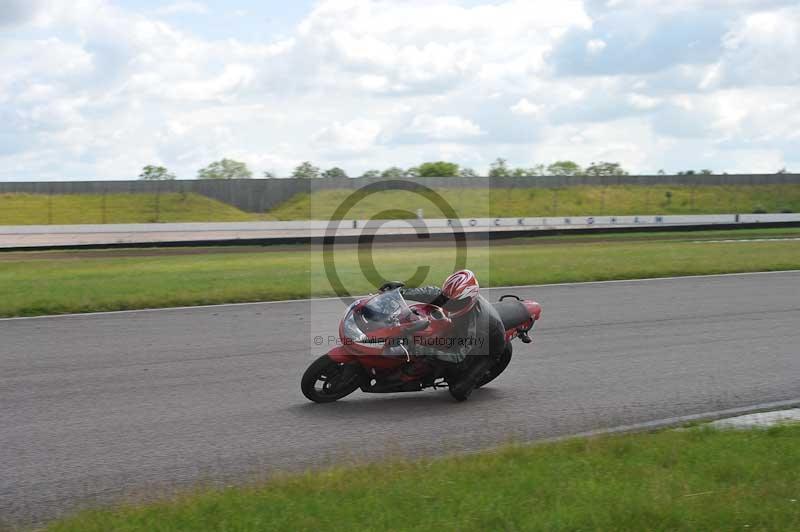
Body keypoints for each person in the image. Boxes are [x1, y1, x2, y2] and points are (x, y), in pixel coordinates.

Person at [400, 270, 506, 399]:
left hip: (489, 346)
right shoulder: (456, 297)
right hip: (462, 328)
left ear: (468, 299)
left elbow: (458, 356)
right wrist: (400, 293)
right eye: (446, 299)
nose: (448, 304)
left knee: (458, 391)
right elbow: (433, 293)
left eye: (453, 302)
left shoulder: (476, 325)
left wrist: (420, 349)